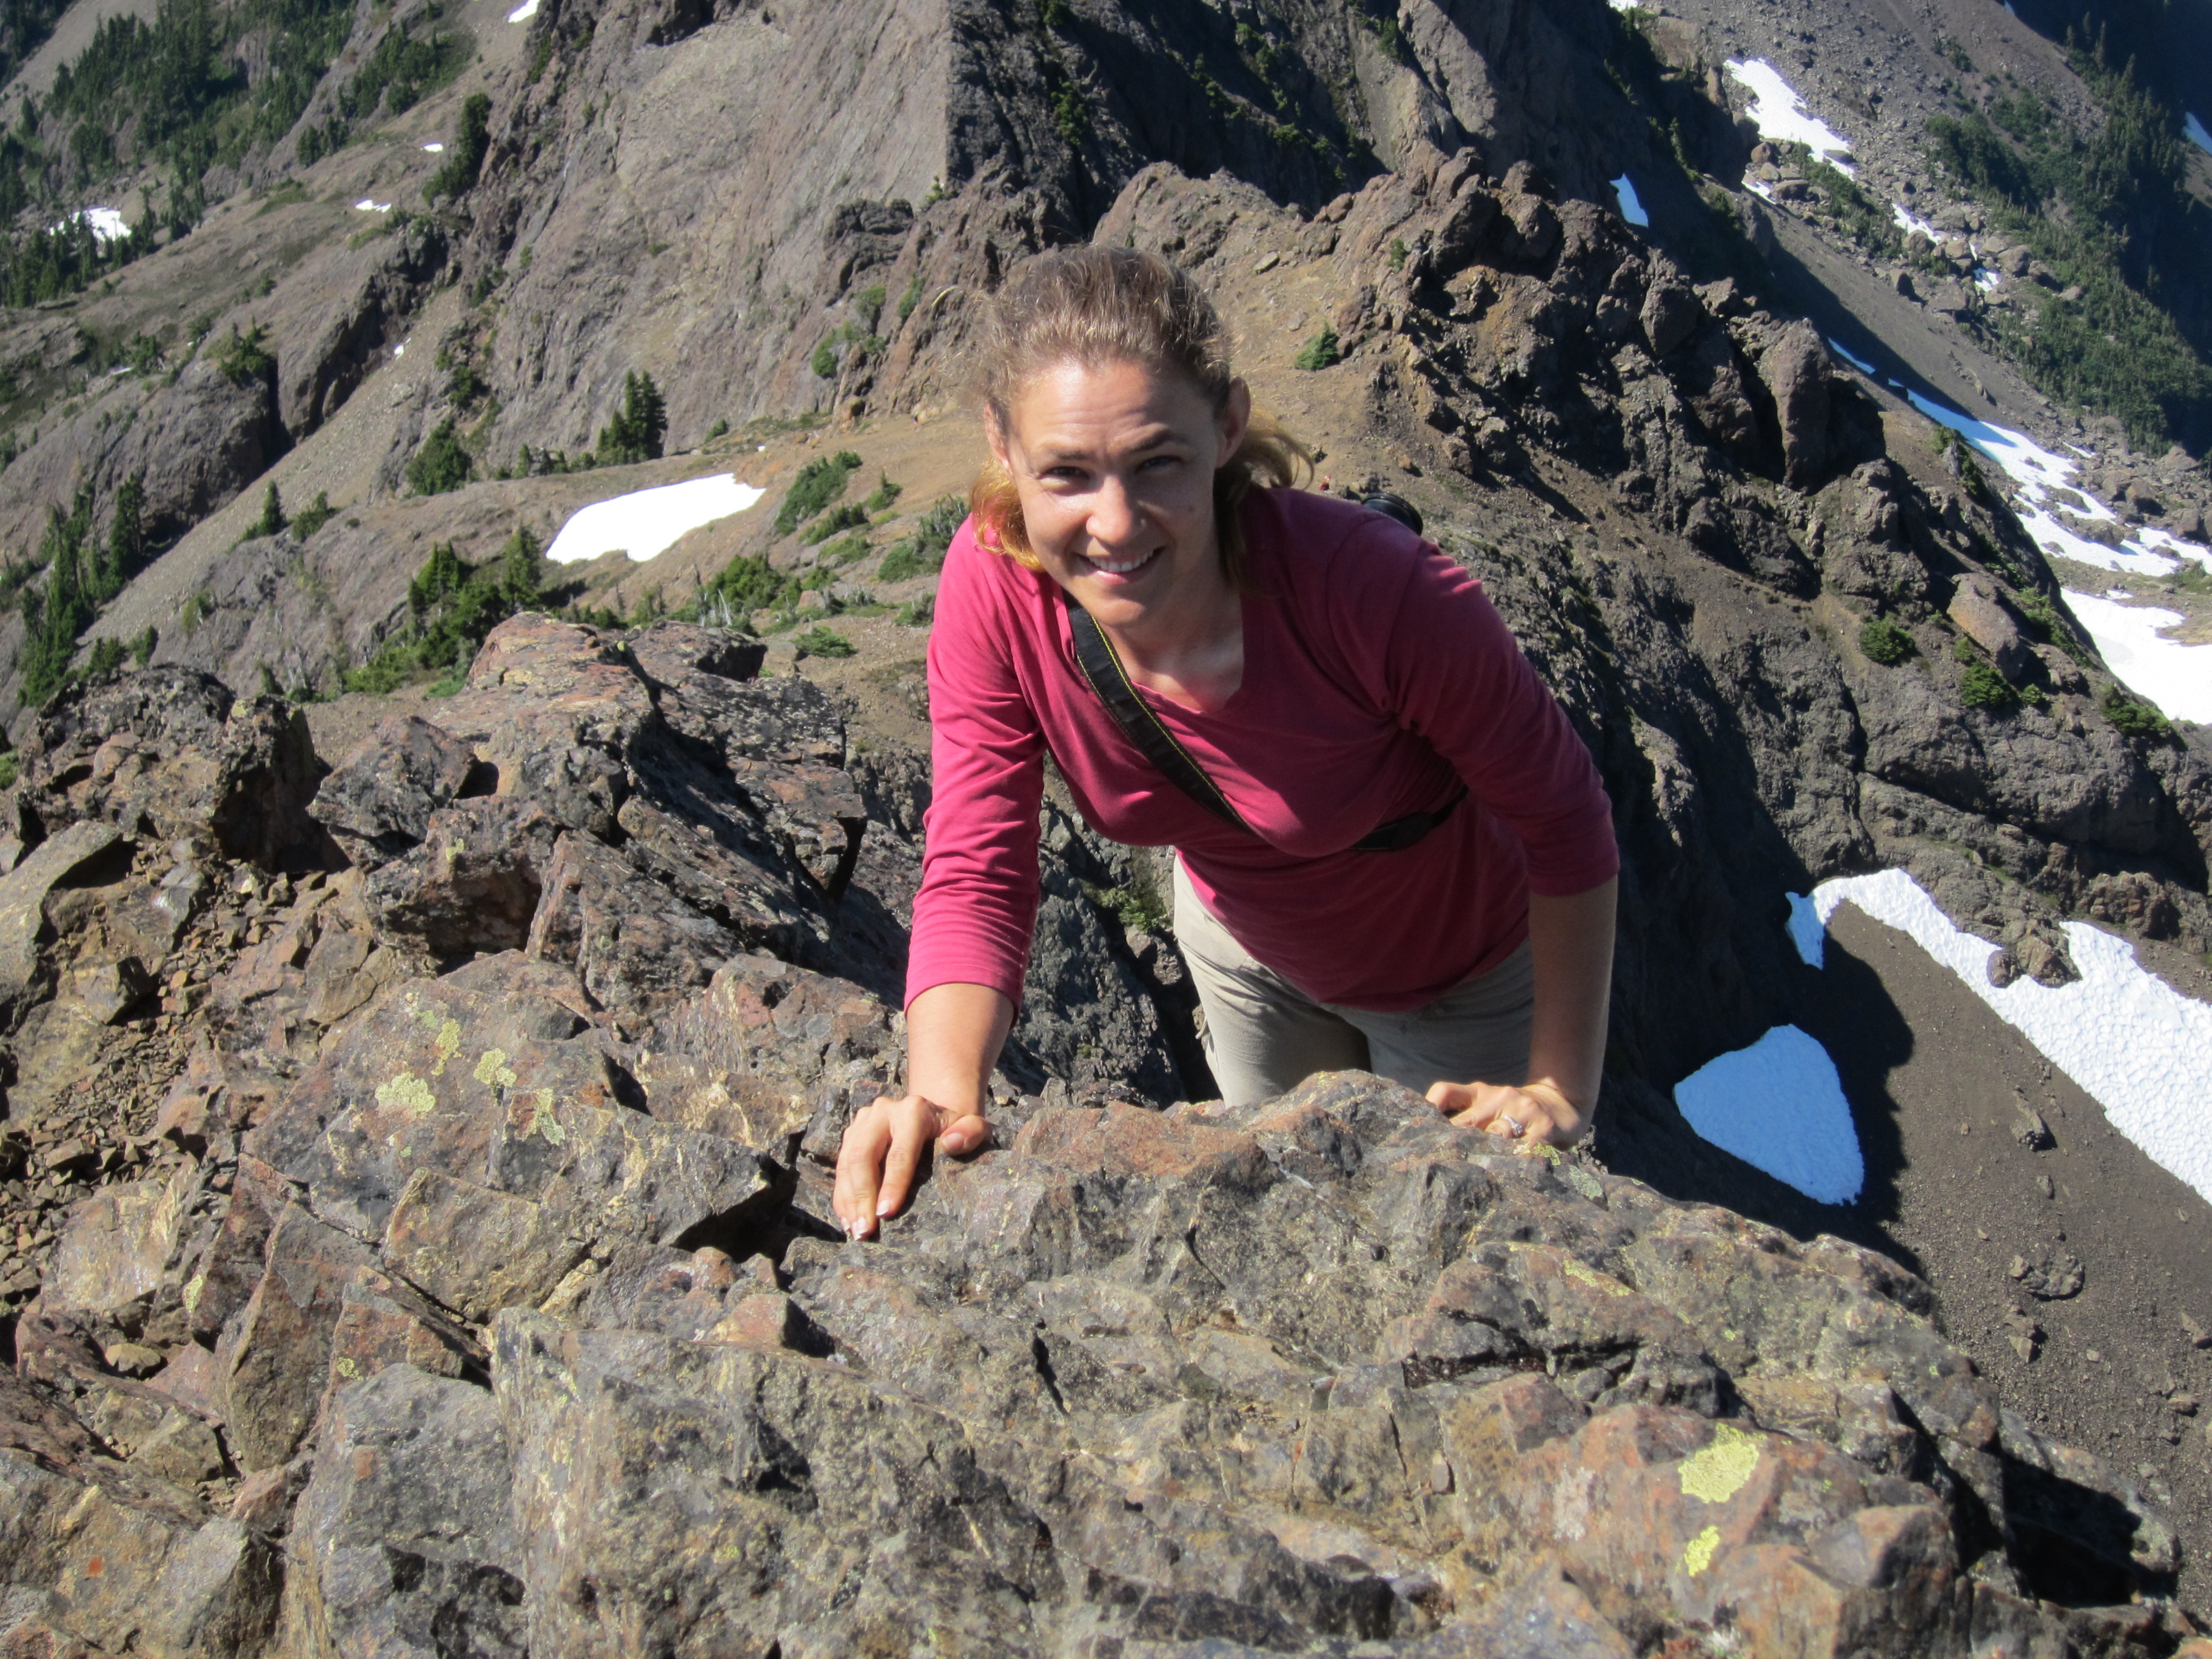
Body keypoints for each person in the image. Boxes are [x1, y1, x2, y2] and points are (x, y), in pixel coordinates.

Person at [833, 247, 1618, 1241]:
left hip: (1462, 983)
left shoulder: (1376, 592)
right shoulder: (996, 588)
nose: (1115, 523)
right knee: (1299, 1241)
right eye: (1066, 473)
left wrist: (1559, 1087)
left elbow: (1566, 821)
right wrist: (941, 1101)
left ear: (1227, 426)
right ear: (1003, 445)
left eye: (1158, 462)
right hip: (1247, 958)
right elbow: (977, 865)